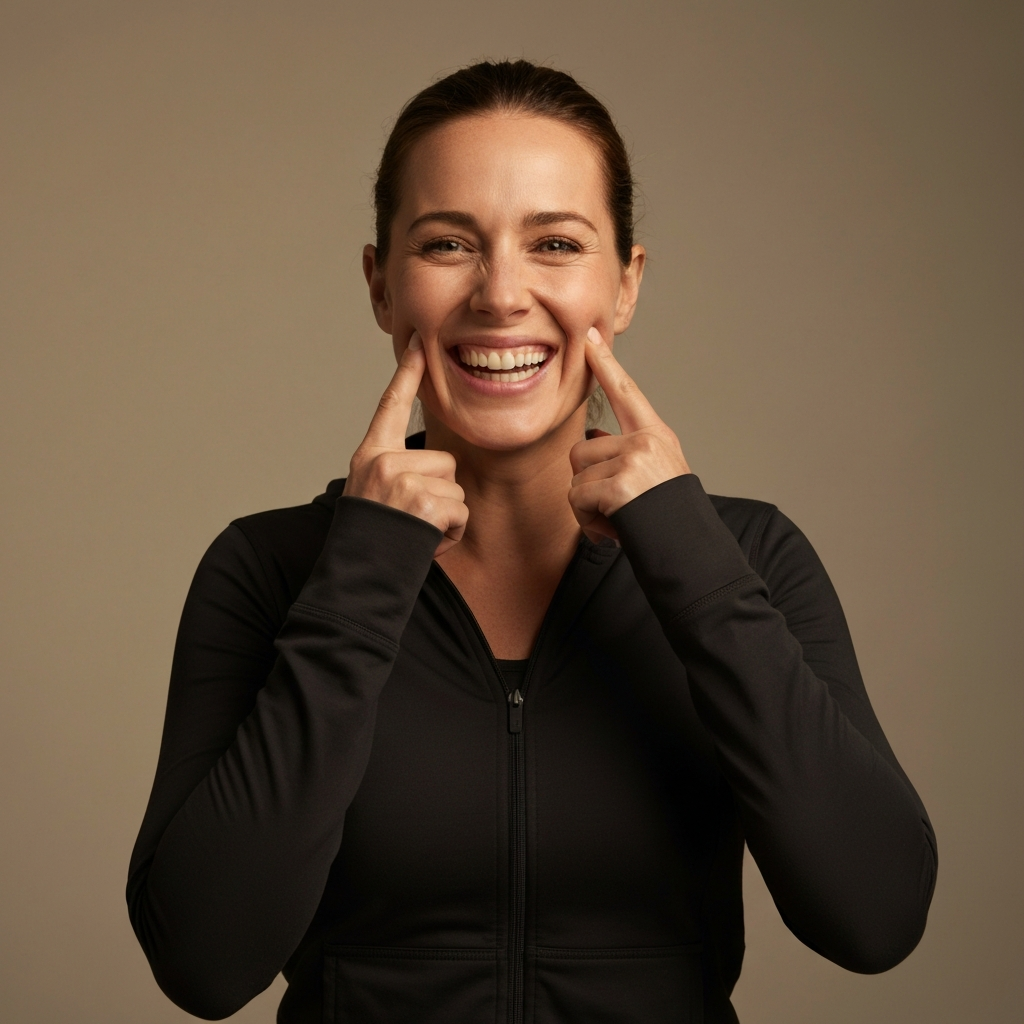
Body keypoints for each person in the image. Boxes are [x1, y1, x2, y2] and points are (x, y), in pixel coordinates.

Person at [127, 60, 937, 1024]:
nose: (501, 294)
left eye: (554, 242)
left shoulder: (745, 555)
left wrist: (688, 556)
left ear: (624, 284)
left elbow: (876, 918)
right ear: (381, 286)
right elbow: (205, 964)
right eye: (446, 245)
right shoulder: (269, 571)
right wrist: (361, 578)